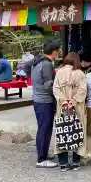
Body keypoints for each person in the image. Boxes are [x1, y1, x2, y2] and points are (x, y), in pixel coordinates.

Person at [53, 52, 87, 172]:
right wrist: (72, 102)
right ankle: (76, 163)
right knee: (78, 131)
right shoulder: (80, 74)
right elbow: (83, 91)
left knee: (63, 131)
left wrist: (65, 102)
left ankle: (63, 163)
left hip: (62, 107)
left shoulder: (59, 72)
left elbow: (55, 89)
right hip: (77, 108)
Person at [32, 40, 60, 168]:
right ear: (54, 52)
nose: (58, 53)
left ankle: (43, 154)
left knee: (44, 128)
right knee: (44, 129)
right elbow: (49, 85)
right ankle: (41, 159)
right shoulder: (47, 64)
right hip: (44, 101)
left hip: (37, 99)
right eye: (58, 51)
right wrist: (59, 95)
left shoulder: (36, 62)